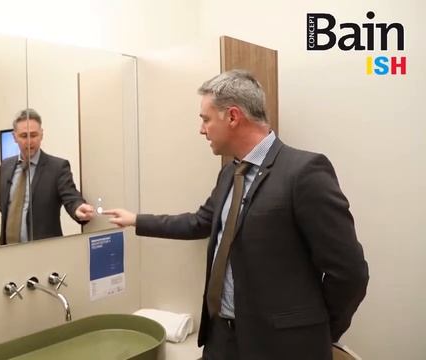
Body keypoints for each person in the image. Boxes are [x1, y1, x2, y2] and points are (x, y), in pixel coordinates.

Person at [104, 70, 369, 360]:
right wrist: (137, 220)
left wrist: (318, 333)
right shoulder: (230, 172)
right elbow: (200, 222)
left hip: (281, 347)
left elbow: (349, 272)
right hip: (221, 340)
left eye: (205, 119)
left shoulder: (303, 172)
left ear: (232, 116)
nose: (201, 130)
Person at [0, 108, 95, 245]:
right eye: (24, 136)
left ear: (42, 134)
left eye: (34, 135)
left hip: (45, 253)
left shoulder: (57, 167)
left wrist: (78, 208)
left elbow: (71, 196)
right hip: (8, 253)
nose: (30, 141)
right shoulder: (5, 167)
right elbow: (4, 209)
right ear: (14, 137)